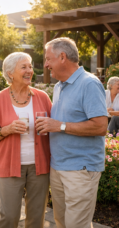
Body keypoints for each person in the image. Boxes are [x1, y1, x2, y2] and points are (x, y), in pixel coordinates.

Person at [36, 37, 107, 228]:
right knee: (61, 222)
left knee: (76, 225)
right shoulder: (59, 86)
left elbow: (101, 127)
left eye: (48, 59)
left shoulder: (89, 84)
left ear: (62, 57)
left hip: (81, 169)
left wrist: (59, 125)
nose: (46, 64)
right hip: (58, 167)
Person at [0, 52, 52, 228]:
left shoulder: (42, 97)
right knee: (9, 216)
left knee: (37, 217)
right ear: (10, 73)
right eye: (24, 67)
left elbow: (54, 126)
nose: (29, 70)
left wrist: (50, 125)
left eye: (30, 66)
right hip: (9, 165)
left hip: (40, 166)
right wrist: (7, 130)